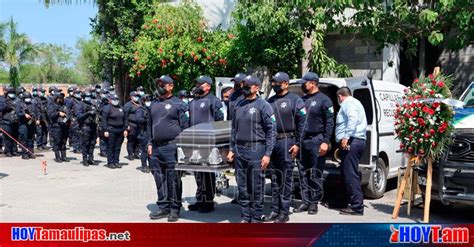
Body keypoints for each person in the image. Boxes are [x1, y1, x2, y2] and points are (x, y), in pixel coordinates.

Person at [227, 75, 276, 223]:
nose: (245, 88)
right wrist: (231, 149)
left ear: (257, 88)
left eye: (248, 86)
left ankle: (255, 217)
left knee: (256, 186)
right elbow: (233, 129)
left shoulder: (264, 105)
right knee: (242, 187)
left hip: (257, 149)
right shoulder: (239, 105)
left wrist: (267, 154)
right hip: (240, 149)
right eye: (244, 85)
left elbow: (271, 131)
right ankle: (245, 215)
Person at [266, 72, 305, 223]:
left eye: (278, 83)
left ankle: (284, 211)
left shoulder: (296, 100)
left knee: (286, 178)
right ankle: (275, 210)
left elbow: (302, 124)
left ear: (286, 84)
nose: (275, 85)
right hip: (273, 142)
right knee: (275, 178)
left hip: (288, 141)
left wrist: (298, 144)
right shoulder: (270, 101)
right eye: (274, 83)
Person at [148, 75, 188, 222]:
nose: (160, 86)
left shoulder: (179, 104)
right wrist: (149, 144)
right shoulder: (153, 103)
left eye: (163, 84)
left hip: (172, 146)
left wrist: (183, 147)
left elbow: (185, 126)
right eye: (159, 84)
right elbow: (149, 126)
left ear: (171, 86)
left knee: (173, 179)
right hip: (156, 148)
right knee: (159, 178)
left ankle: (174, 208)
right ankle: (163, 206)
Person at [294, 72, 334, 215]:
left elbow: (329, 123)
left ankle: (313, 203)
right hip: (301, 141)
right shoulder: (301, 100)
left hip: (316, 140)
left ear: (312, 83)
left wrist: (325, 141)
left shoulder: (325, 100)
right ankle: (305, 201)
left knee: (315, 173)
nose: (302, 85)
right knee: (302, 172)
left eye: (304, 82)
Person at [187, 76, 225, 213]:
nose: (197, 85)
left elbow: (220, 119)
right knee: (197, 173)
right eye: (196, 83)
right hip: (193, 141)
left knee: (207, 173)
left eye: (200, 84)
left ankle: (208, 202)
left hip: (207, 142)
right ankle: (200, 199)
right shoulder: (193, 101)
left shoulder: (213, 100)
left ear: (208, 86)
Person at [335, 87, 367, 216]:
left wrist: (346, 137)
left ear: (340, 96)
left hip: (352, 141)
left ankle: (357, 206)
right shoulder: (355, 102)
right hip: (355, 141)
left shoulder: (348, 103)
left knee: (350, 174)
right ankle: (344, 201)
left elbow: (352, 119)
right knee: (346, 172)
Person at [101, 94, 127, 169]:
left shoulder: (121, 108)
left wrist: (125, 129)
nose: (116, 101)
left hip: (120, 130)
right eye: (114, 99)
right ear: (110, 100)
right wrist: (105, 130)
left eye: (117, 99)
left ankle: (116, 161)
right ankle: (110, 162)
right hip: (111, 129)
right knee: (111, 147)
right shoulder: (107, 108)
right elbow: (104, 120)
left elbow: (125, 119)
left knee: (118, 147)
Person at [76, 90, 98, 166]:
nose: (88, 98)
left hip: (93, 126)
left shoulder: (92, 104)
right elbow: (79, 116)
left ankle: (91, 158)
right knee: (85, 144)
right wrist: (88, 113)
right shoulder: (80, 104)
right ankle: (85, 159)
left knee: (92, 143)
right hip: (85, 127)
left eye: (89, 97)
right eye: (87, 97)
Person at [47, 91, 70, 163]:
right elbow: (50, 115)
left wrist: (67, 118)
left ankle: (64, 156)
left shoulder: (64, 105)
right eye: (60, 97)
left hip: (64, 126)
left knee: (63, 142)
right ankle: (57, 157)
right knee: (57, 142)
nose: (61, 99)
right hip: (56, 126)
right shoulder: (52, 105)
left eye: (62, 97)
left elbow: (69, 114)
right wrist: (58, 113)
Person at [16, 92, 39, 159]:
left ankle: (31, 152)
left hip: (31, 123)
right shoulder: (19, 104)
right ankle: (24, 153)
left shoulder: (32, 104)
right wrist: (24, 114)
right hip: (23, 124)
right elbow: (18, 113)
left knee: (31, 138)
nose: (28, 99)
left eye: (29, 98)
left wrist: (37, 119)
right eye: (26, 98)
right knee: (24, 138)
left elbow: (36, 112)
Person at [0, 88, 19, 157]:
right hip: (6, 121)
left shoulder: (17, 100)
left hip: (15, 121)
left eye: (13, 93)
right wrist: (7, 106)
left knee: (15, 136)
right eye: (10, 93)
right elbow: (1, 108)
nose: (12, 94)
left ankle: (14, 150)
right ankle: (8, 151)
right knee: (8, 137)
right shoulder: (3, 100)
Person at [136, 94, 152, 173]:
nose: (149, 102)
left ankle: (151, 165)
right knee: (144, 150)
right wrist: (145, 119)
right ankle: (144, 166)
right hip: (143, 132)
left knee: (151, 150)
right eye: (147, 101)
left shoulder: (151, 108)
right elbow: (138, 120)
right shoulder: (140, 109)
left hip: (151, 132)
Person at [123, 91, 141, 160]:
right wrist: (126, 125)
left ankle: (136, 153)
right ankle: (130, 154)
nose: (136, 97)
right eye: (135, 96)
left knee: (138, 140)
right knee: (131, 140)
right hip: (131, 125)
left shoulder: (139, 104)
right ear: (131, 97)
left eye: (137, 96)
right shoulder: (128, 105)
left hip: (139, 125)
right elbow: (125, 116)